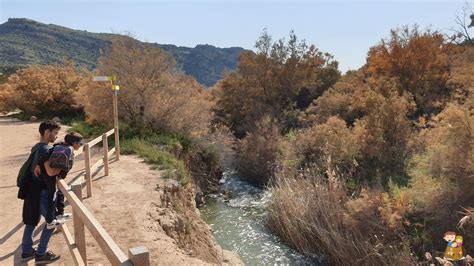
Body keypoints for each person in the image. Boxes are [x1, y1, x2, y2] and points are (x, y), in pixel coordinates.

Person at [20, 120, 61, 264]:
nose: (56, 136)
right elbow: (50, 172)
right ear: (47, 132)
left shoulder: (36, 147)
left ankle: (26, 251)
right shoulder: (45, 149)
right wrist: (62, 170)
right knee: (52, 222)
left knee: (31, 221)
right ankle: (41, 254)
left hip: (31, 189)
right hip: (41, 190)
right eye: (55, 133)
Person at [38, 132, 83, 228]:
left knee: (60, 193)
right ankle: (50, 221)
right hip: (52, 177)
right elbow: (65, 168)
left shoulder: (58, 146)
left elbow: (45, 155)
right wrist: (60, 176)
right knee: (52, 196)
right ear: (74, 143)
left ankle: (60, 214)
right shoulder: (69, 150)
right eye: (80, 143)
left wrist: (38, 165)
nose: (80, 145)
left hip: (47, 174)